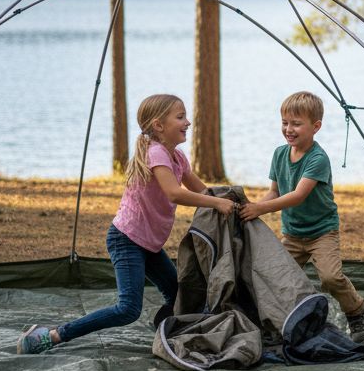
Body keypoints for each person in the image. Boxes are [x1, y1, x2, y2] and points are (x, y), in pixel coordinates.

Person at [17, 94, 236, 354]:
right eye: (180, 117)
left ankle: (168, 333)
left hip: (150, 244)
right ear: (159, 126)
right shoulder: (155, 153)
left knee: (178, 295)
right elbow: (174, 193)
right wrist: (216, 204)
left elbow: (203, 191)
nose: (187, 122)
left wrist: (230, 200)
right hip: (127, 239)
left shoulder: (177, 157)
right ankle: (51, 336)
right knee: (128, 309)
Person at [239, 91, 364, 343]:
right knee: (277, 280)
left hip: (322, 232)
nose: (289, 129)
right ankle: (281, 322)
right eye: (285, 123)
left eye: (296, 124)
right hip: (293, 233)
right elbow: (274, 192)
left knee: (331, 278)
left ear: (316, 126)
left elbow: (297, 196)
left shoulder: (317, 158)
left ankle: (356, 311)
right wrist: (253, 206)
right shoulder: (279, 154)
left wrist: (261, 209)